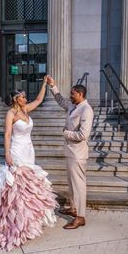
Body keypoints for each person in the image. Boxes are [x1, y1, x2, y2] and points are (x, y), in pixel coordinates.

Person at [0, 76, 58, 251]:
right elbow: (7, 135)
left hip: (29, 149)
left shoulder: (26, 110)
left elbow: (39, 99)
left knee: (28, 185)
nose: (26, 98)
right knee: (16, 184)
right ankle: (12, 222)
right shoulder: (11, 114)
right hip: (16, 149)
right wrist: (7, 153)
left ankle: (27, 220)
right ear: (16, 99)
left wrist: (45, 84)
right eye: (22, 96)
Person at [47, 76, 94, 229]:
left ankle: (80, 217)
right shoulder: (73, 106)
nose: (70, 96)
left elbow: (83, 135)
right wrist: (53, 85)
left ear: (80, 94)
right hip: (70, 152)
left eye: (72, 93)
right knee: (72, 184)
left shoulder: (86, 110)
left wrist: (66, 133)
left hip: (78, 154)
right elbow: (60, 100)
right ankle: (73, 209)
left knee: (79, 185)